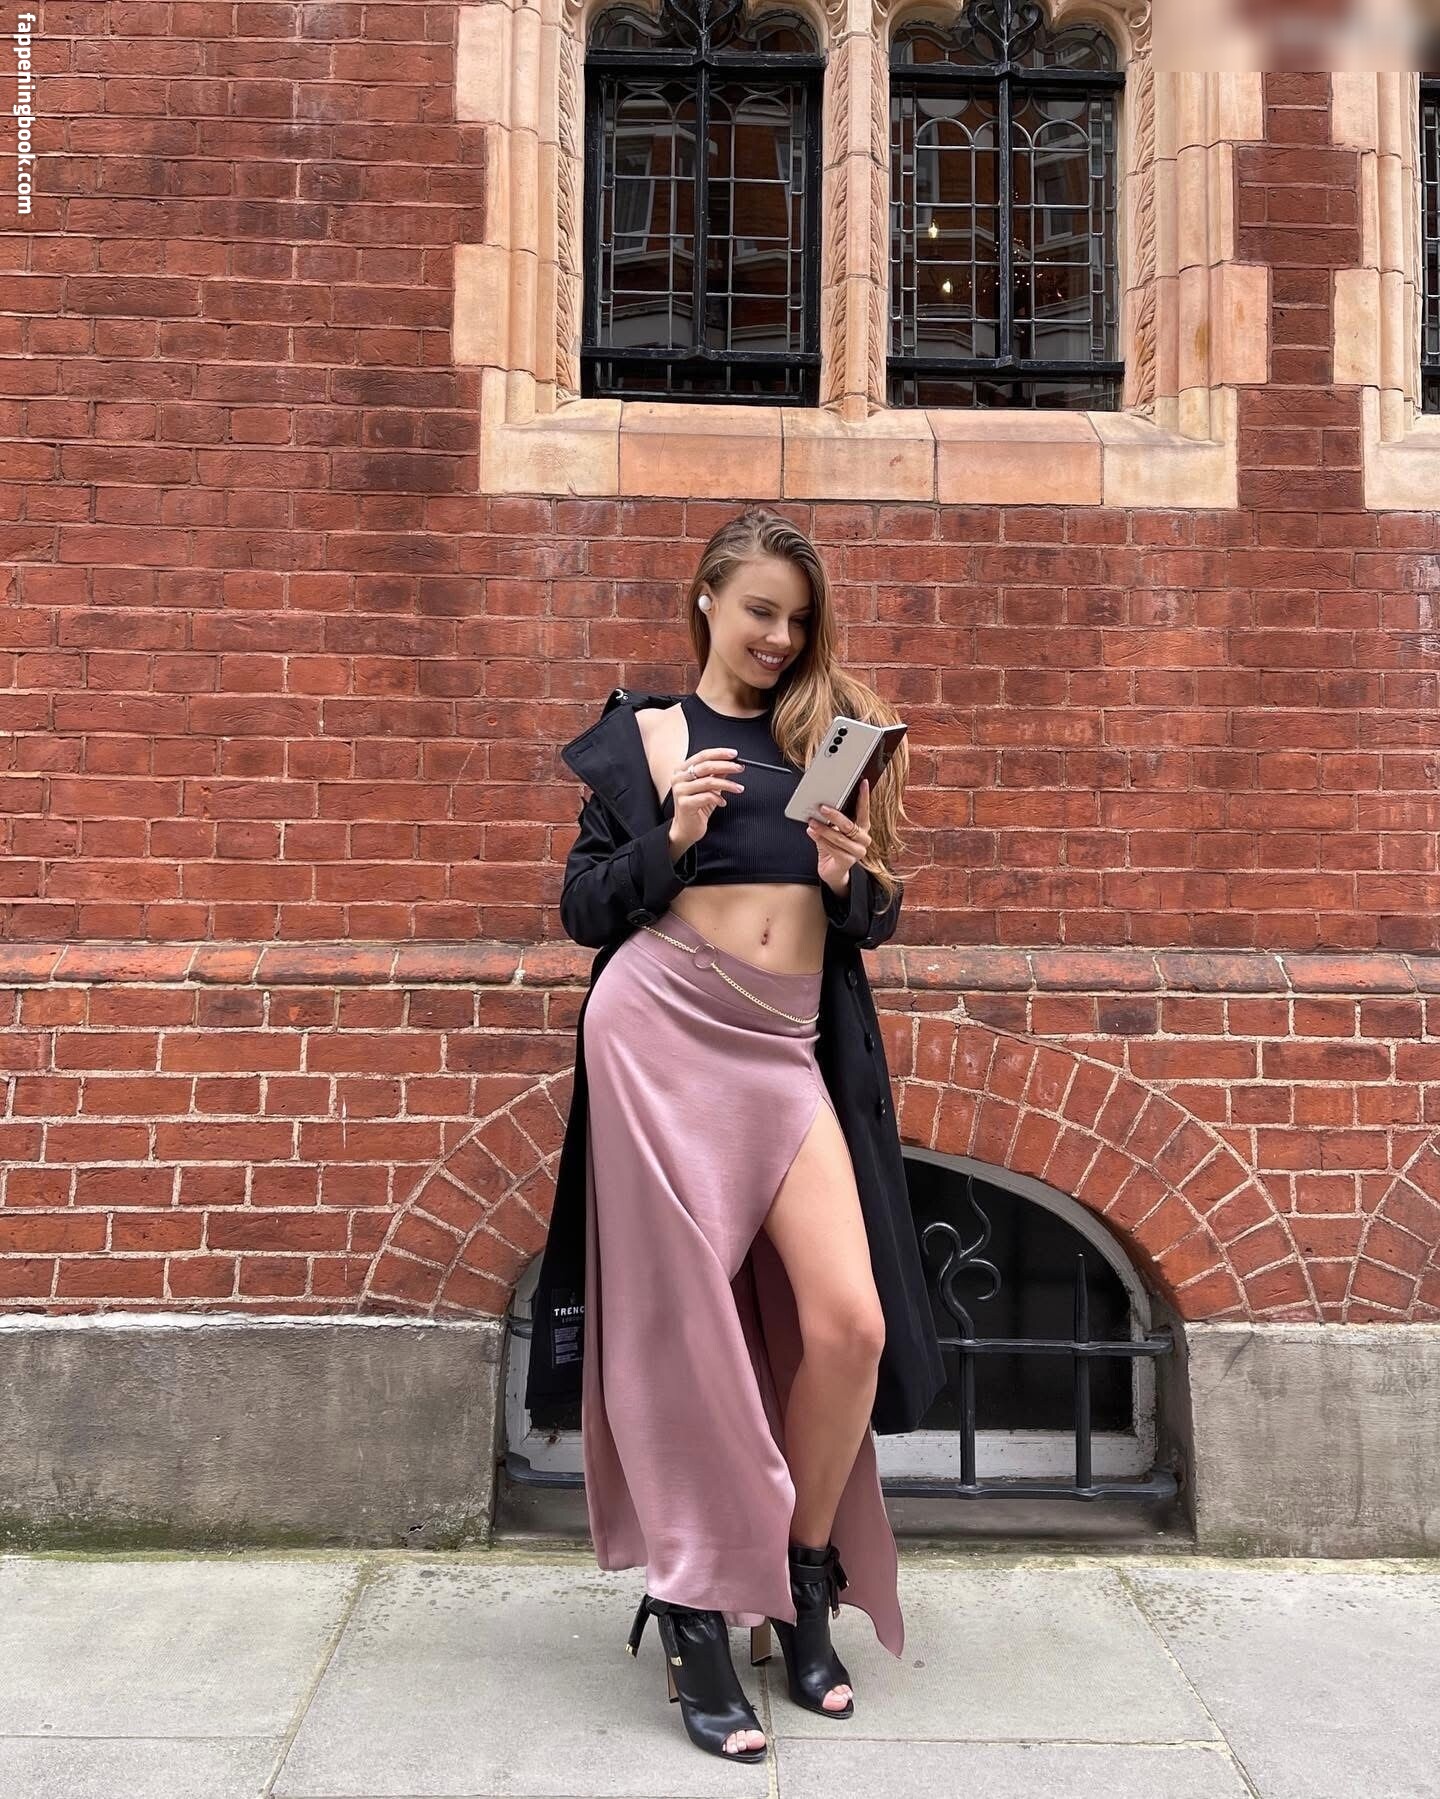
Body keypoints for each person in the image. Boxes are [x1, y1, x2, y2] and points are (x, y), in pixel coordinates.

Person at [526, 506, 946, 1764]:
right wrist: (673, 837)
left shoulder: (828, 735)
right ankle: (698, 1610)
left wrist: (849, 877)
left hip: (782, 1050)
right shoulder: (648, 736)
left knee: (849, 1321)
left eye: (799, 620)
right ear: (707, 596)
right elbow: (583, 908)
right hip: (658, 1036)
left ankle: (802, 1574)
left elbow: (871, 917)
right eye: (761, 609)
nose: (779, 637)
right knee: (684, 1341)